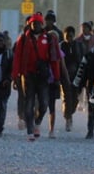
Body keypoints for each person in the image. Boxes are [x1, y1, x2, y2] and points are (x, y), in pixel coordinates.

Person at [12, 12, 62, 141]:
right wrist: (15, 76)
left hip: (43, 76)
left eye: (38, 23)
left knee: (44, 104)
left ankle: (37, 123)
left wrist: (56, 77)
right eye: (33, 23)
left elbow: (54, 60)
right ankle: (30, 131)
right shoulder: (23, 39)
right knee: (28, 104)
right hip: (28, 76)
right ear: (30, 24)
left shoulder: (49, 38)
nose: (36, 25)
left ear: (42, 24)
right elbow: (17, 58)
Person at [61, 26, 85, 133]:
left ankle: (69, 113)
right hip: (64, 76)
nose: (68, 38)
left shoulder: (79, 46)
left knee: (75, 99)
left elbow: (82, 61)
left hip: (76, 76)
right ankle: (68, 118)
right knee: (67, 97)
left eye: (70, 36)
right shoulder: (61, 46)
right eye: (66, 36)